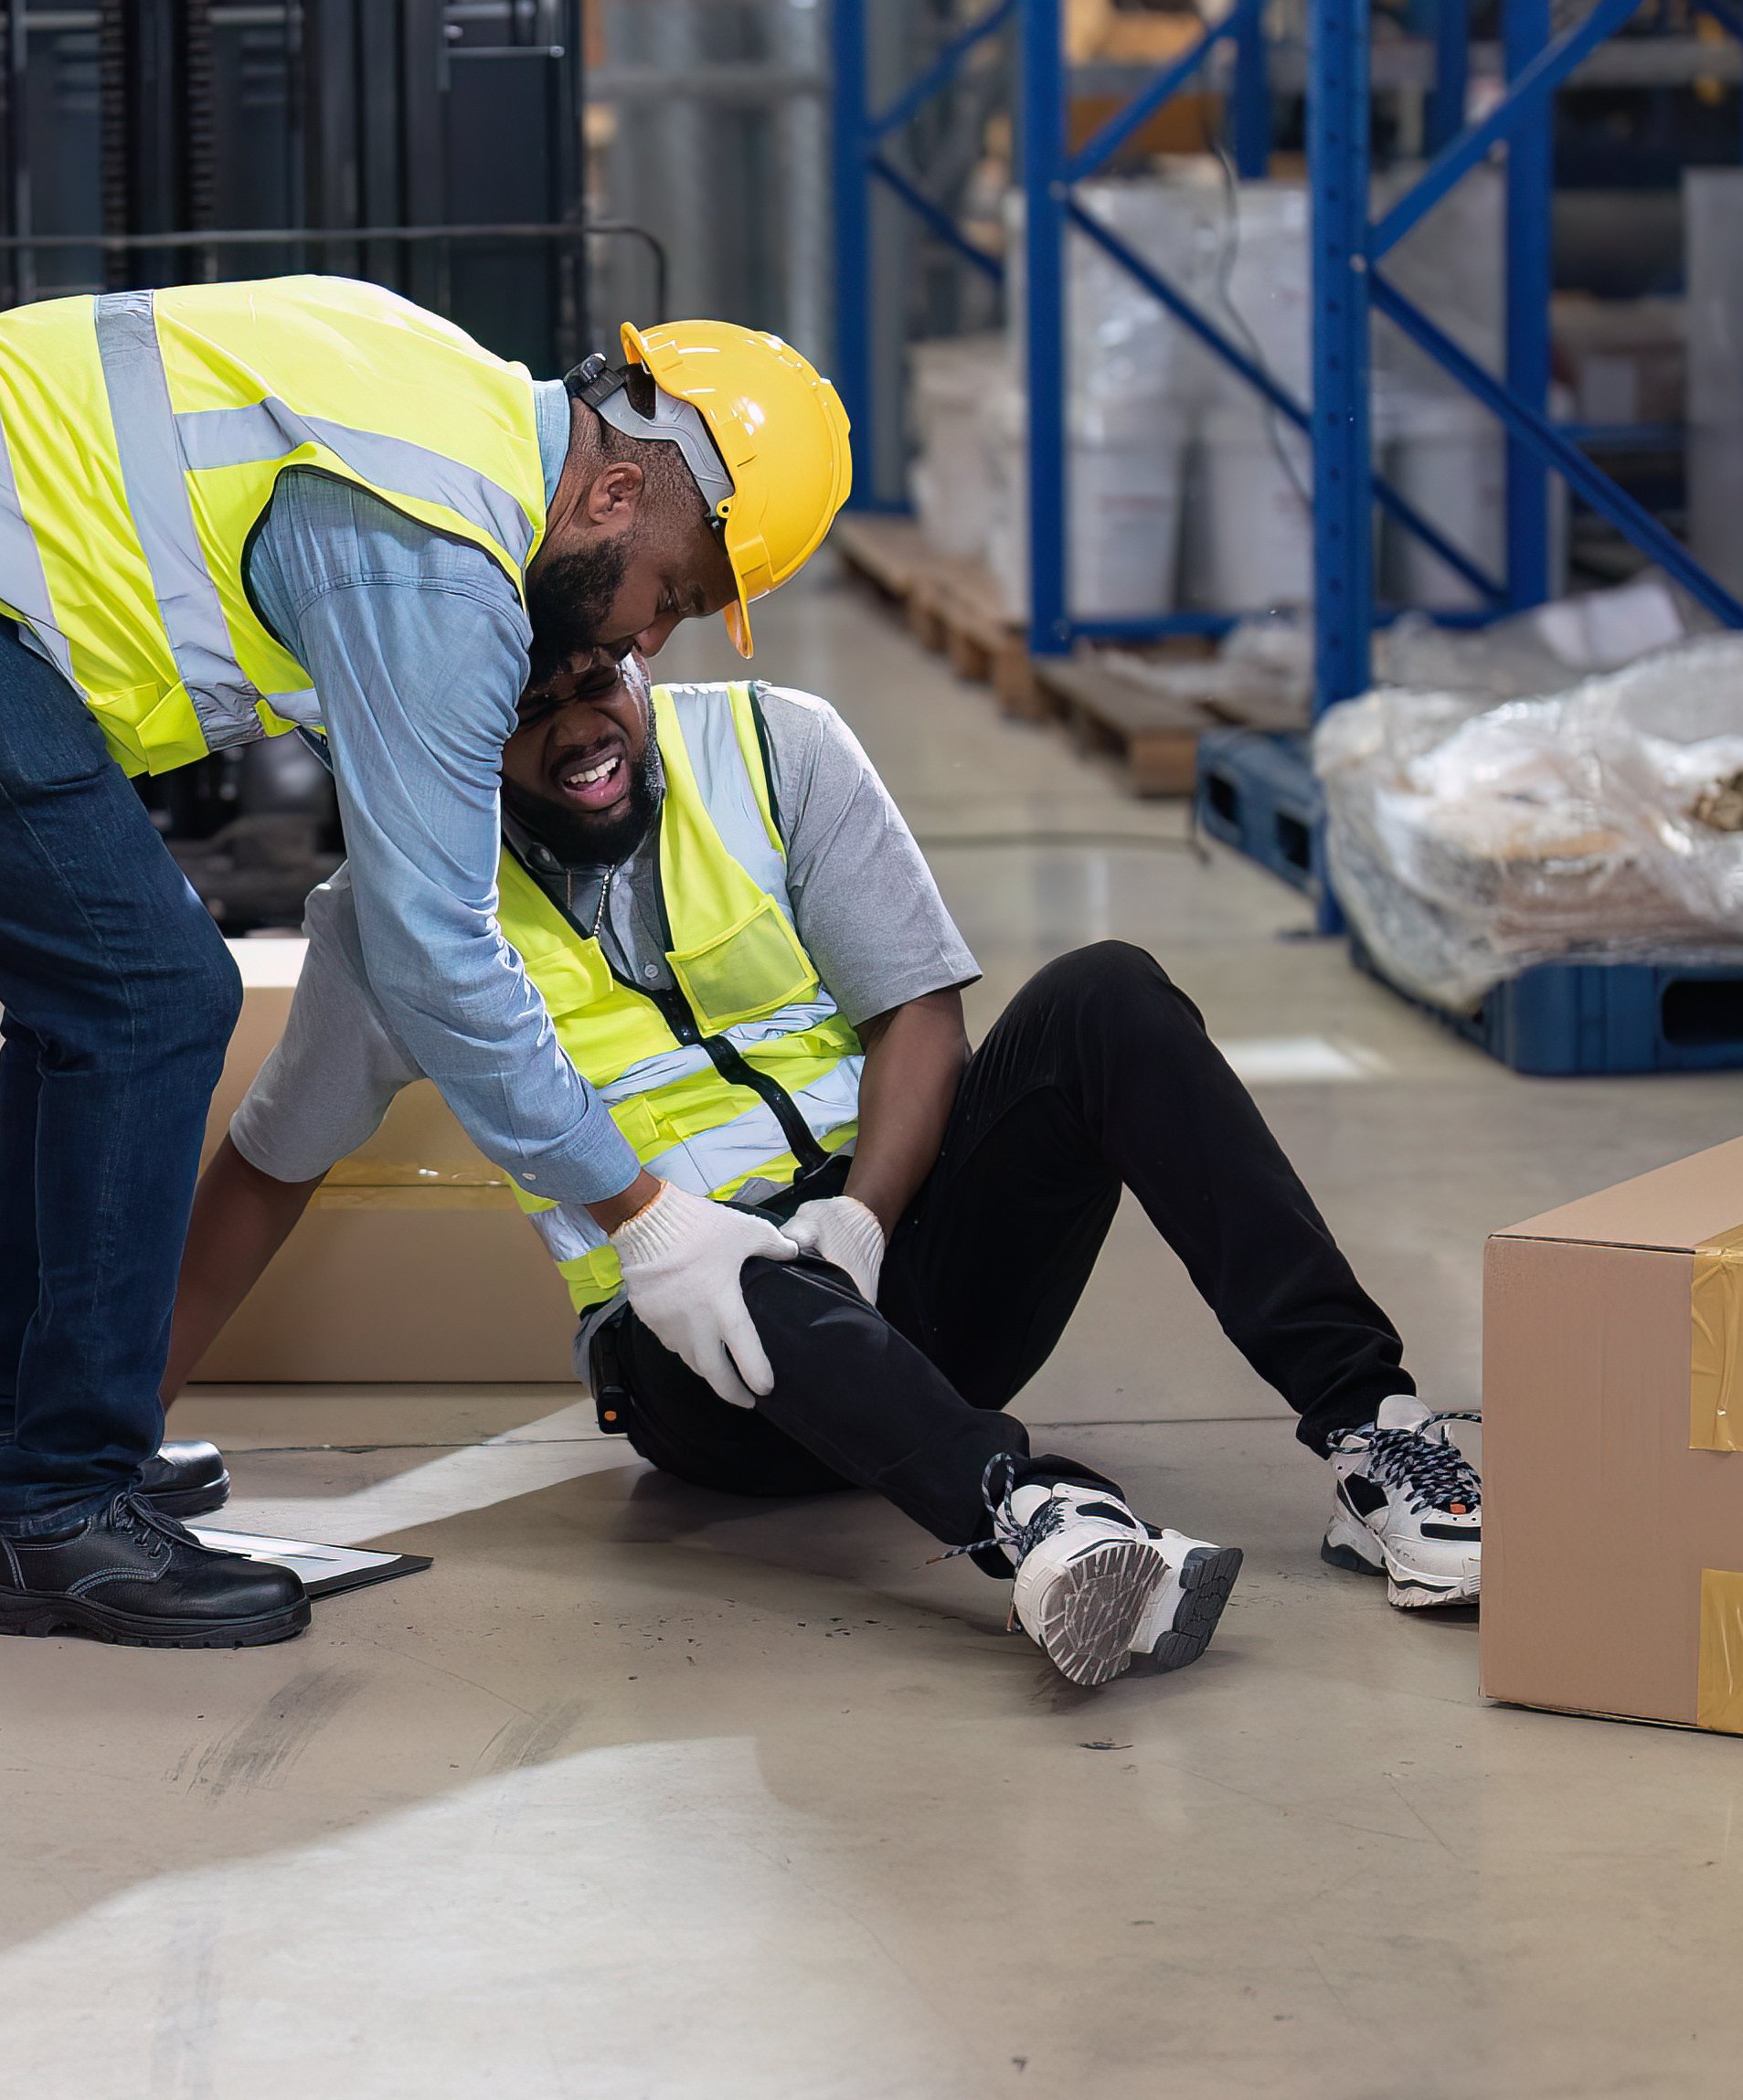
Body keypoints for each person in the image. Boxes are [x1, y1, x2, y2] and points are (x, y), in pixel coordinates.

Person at [0, 280, 851, 1651]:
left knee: (99, 992)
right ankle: (61, 1515)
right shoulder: (432, 555)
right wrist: (646, 1216)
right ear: (614, 499)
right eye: (674, 595)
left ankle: (12, 1441)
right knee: (151, 993)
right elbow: (432, 954)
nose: (645, 643)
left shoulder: (450, 390)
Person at [161, 649, 1486, 1685]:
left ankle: (1374, 1437)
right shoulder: (392, 918)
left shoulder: (771, 744)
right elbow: (269, 1169)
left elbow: (916, 1006)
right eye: (527, 704)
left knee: (1107, 998)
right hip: (699, 1362)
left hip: (896, 1256)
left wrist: (862, 1218)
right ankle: (1034, 1522)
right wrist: (102, 1427)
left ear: (638, 654)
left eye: (597, 681)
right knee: (739, 1267)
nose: (583, 728)